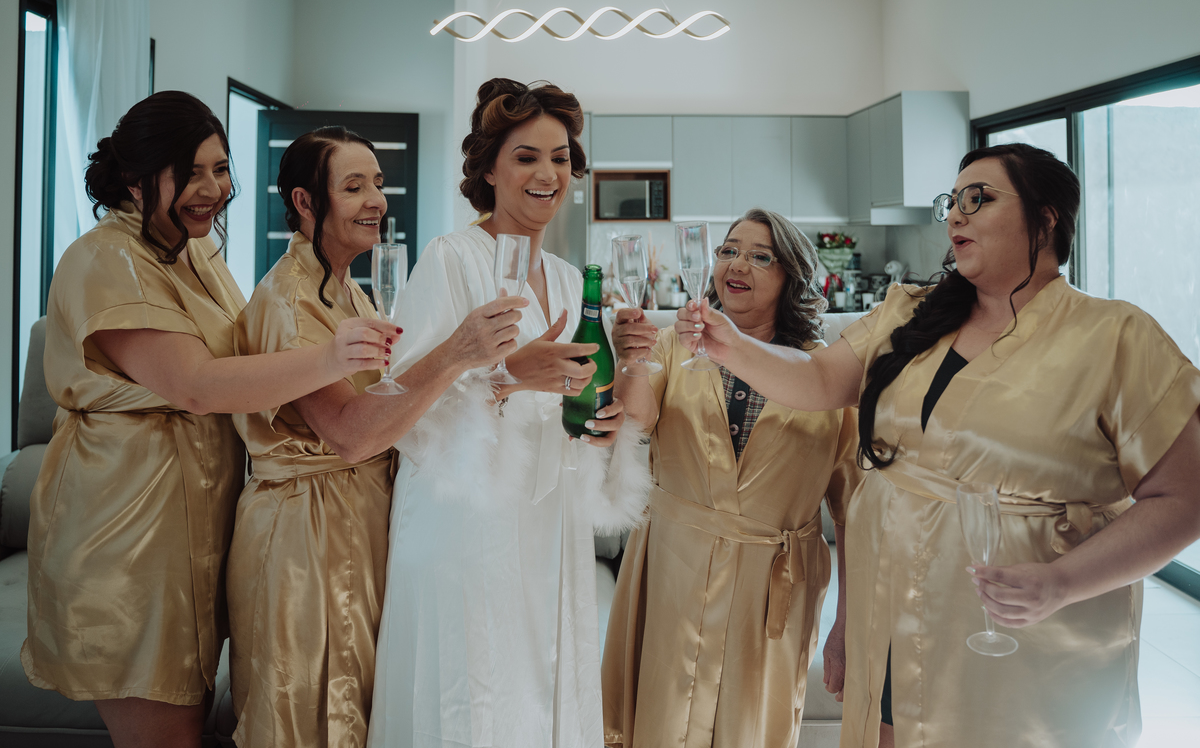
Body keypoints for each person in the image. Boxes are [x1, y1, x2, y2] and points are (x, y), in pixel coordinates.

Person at [673, 143, 1200, 748]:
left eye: (979, 198)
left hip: (1022, 624)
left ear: (1046, 218)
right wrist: (729, 345)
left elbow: (1184, 499)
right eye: (952, 201)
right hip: (894, 601)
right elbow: (817, 380)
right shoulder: (910, 313)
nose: (955, 215)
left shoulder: (1115, 335)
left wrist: (1063, 583)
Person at [21, 92, 395, 748]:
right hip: (130, 534)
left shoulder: (194, 252)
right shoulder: (107, 260)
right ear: (135, 178)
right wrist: (329, 357)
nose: (213, 189)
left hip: (197, 525)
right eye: (189, 172)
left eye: (220, 169)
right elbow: (195, 385)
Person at [367, 78, 653, 748]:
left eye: (560, 158)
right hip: (463, 526)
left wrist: (605, 414)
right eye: (526, 157)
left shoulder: (567, 279)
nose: (547, 173)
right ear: (489, 170)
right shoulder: (450, 259)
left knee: (541, 689)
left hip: (548, 523)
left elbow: (578, 408)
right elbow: (400, 409)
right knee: (471, 692)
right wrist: (509, 378)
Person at [225, 127, 526, 748]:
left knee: (358, 709)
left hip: (356, 519)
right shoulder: (288, 302)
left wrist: (501, 379)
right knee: (307, 718)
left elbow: (391, 406)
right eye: (354, 186)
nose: (376, 201)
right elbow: (350, 433)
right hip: (306, 535)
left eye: (379, 184)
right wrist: (455, 352)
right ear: (305, 202)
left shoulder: (350, 290)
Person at [601, 209, 862, 748]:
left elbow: (852, 510)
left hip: (773, 591)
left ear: (791, 276)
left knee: (754, 727)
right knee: (660, 720)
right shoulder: (674, 343)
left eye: (760, 256)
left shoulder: (827, 374)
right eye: (727, 251)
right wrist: (630, 360)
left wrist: (847, 624)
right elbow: (637, 422)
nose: (737, 264)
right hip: (673, 569)